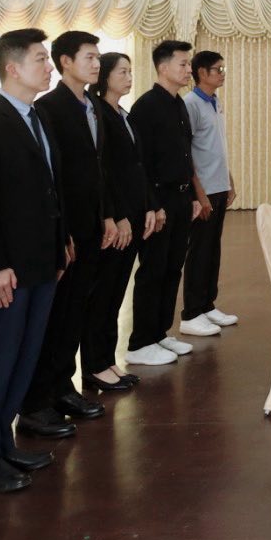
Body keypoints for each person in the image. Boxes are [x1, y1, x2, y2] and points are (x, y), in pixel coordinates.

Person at [0, 28, 69, 495]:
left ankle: (4, 444)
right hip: (8, 269)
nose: (49, 67)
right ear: (12, 68)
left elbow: (49, 189)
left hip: (41, 260)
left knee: (25, 358)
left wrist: (59, 243)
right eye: (41, 59)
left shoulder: (37, 117)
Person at [25, 30, 111, 430]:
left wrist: (106, 216)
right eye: (89, 57)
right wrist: (65, 231)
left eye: (98, 57)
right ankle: (42, 395)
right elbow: (54, 177)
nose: (96, 64)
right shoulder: (49, 108)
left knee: (75, 312)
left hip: (92, 225)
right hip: (68, 230)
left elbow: (99, 169)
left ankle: (63, 386)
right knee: (56, 317)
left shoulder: (92, 104)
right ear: (66, 62)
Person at [124, 39, 205, 366]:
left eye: (189, 64)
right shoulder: (146, 107)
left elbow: (184, 154)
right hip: (160, 199)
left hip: (181, 197)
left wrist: (193, 197)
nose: (188, 70)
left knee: (172, 268)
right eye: (183, 64)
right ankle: (140, 341)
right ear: (163, 67)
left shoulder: (178, 104)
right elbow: (140, 163)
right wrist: (152, 205)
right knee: (153, 269)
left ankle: (159, 332)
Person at [85, 51, 148, 392]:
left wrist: (147, 207)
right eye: (122, 71)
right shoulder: (98, 114)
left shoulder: (122, 113)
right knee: (103, 294)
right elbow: (104, 172)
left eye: (130, 71)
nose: (128, 77)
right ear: (104, 76)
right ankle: (94, 365)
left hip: (132, 214)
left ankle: (107, 359)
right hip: (116, 219)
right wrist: (118, 215)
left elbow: (137, 166)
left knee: (115, 294)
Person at [176, 50, 240, 338]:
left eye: (223, 69)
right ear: (201, 73)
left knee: (213, 249)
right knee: (199, 251)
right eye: (218, 69)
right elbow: (186, 152)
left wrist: (229, 180)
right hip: (204, 189)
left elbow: (217, 146)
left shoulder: (215, 101)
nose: (222, 74)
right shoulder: (191, 104)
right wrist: (199, 194)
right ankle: (191, 313)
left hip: (218, 185)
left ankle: (207, 305)